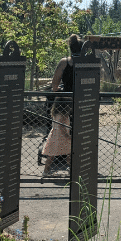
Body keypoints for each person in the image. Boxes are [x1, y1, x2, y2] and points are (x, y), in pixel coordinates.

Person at [42, 34, 81, 176]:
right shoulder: (87, 62)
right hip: (81, 104)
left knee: (58, 128)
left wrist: (63, 94)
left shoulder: (64, 62)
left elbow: (54, 86)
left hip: (66, 103)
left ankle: (54, 156)